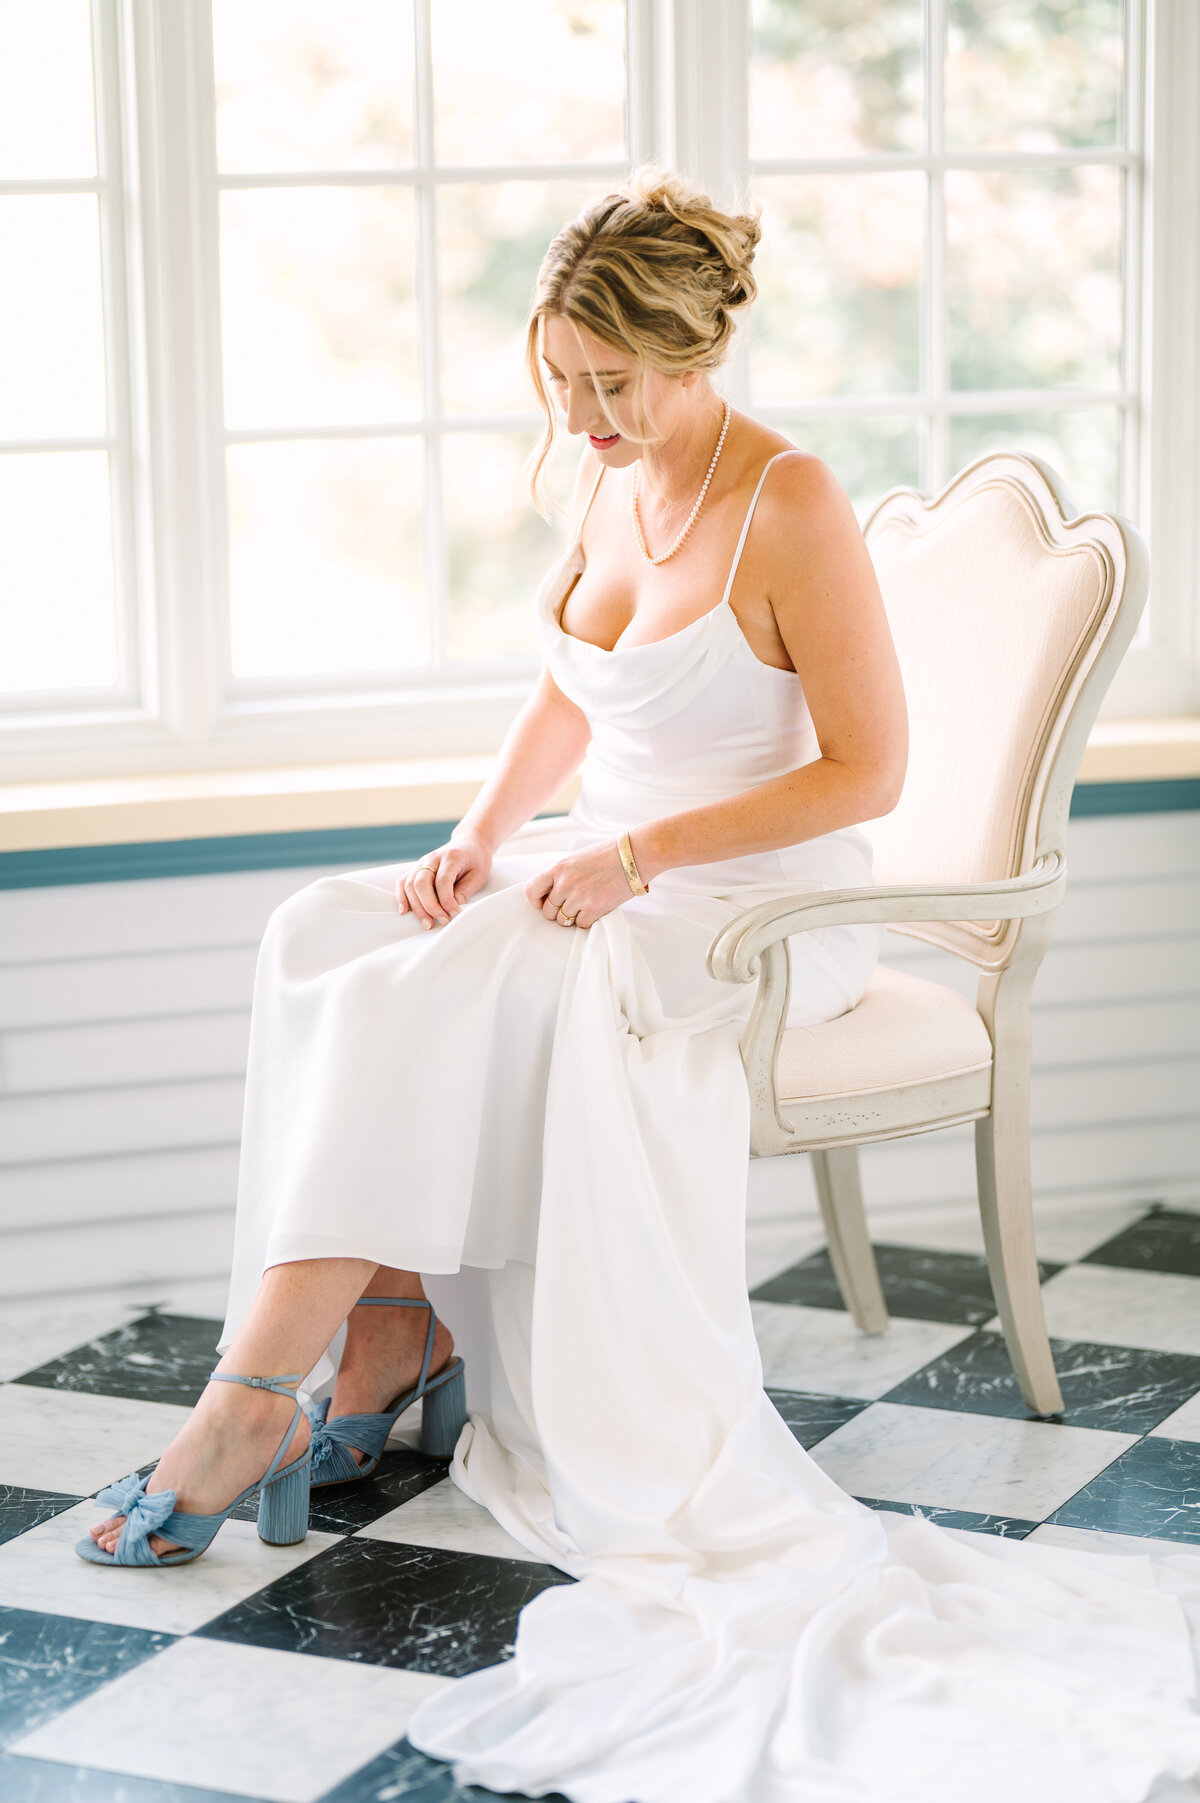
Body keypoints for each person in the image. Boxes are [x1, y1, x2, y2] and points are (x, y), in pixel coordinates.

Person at [78, 168, 1200, 1803]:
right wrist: (479, 833)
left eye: (612, 386)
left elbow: (871, 775)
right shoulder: (603, 474)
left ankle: (254, 1400)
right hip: (611, 860)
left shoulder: (789, 501)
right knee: (330, 932)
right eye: (559, 381)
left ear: (702, 350)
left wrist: (645, 856)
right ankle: (387, 1333)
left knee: (445, 998)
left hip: (758, 901)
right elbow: (571, 685)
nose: (582, 418)